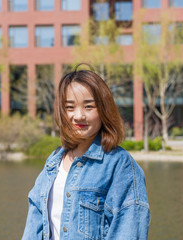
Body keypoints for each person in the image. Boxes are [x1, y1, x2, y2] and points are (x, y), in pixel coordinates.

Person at [22, 64, 150, 240]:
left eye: (89, 107)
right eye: (70, 107)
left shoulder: (119, 164)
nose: (79, 116)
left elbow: (127, 230)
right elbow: (33, 225)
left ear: (103, 110)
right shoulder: (53, 163)